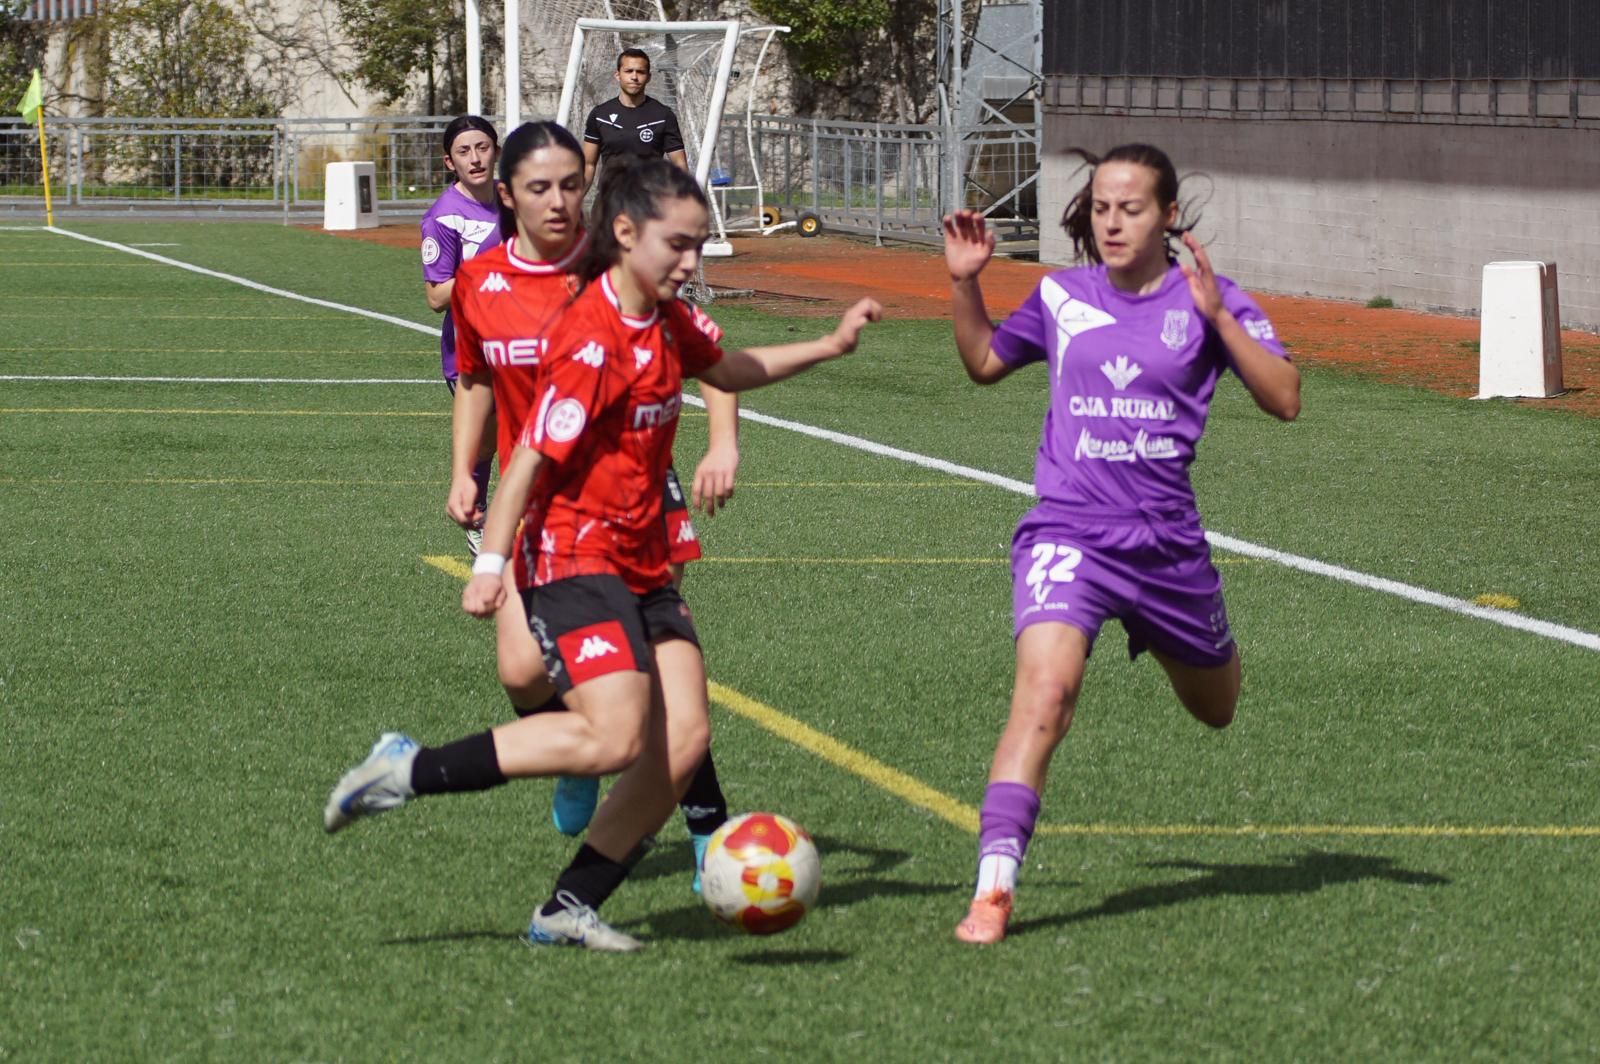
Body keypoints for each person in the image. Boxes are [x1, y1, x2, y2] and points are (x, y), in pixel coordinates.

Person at [326, 156, 883, 952]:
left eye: (698, 244)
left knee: (682, 742)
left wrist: (828, 345)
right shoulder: (592, 342)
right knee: (617, 739)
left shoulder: (664, 316)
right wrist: (490, 565)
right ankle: (407, 769)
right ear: (625, 235)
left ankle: (568, 906)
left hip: (644, 560)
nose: (692, 262)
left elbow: (727, 368)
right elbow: (525, 462)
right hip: (574, 558)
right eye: (679, 245)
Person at [941, 143, 1301, 945]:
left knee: (1218, 709)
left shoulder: (1210, 299)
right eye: (1101, 206)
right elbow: (983, 361)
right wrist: (965, 280)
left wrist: (1216, 320)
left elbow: (1285, 398)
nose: (1111, 221)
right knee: (1044, 697)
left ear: (1168, 215)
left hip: (1167, 549)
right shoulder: (1060, 294)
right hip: (1069, 530)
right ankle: (993, 891)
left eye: (1131, 207)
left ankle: (1171, 631)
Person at [444, 120, 740, 886]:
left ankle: (707, 819)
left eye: (573, 184)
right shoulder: (480, 283)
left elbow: (706, 346)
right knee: (520, 671)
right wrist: (462, 469)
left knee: (658, 672)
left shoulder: (614, 263)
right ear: (506, 196)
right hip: (532, 497)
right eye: (541, 187)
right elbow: (475, 380)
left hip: (633, 494)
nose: (560, 201)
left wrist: (722, 443)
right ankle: (579, 749)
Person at [421, 115, 503, 557]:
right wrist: (491, 268)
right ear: (449, 162)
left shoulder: (514, 203)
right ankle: (478, 516)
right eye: (465, 151)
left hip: (523, 345)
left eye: (483, 147)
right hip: (471, 353)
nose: (475, 158)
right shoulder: (443, 218)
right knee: (489, 439)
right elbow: (436, 297)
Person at [581, 48, 688, 194]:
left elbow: (680, 164)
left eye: (640, 72)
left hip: (648, 203)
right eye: (629, 71)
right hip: (609, 202)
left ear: (648, 77)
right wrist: (576, 198)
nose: (634, 77)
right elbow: (588, 164)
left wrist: (683, 200)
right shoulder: (600, 114)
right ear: (618, 75)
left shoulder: (663, 115)